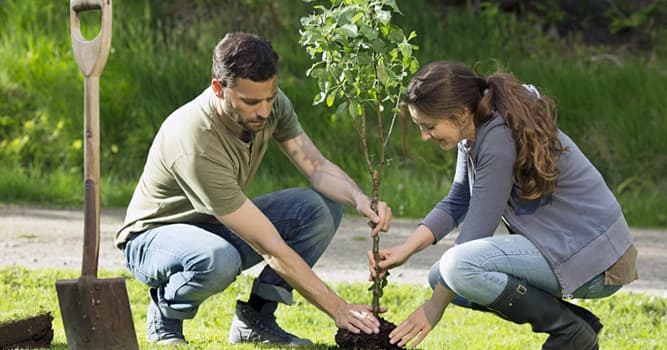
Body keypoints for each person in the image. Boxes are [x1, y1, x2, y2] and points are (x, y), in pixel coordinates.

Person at [115, 32, 393, 346]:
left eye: (269, 98)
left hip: (216, 224)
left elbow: (317, 167)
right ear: (218, 88)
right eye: (251, 102)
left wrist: (360, 199)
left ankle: (256, 319)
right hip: (154, 239)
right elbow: (268, 245)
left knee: (320, 209)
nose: (263, 110)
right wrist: (338, 308)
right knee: (217, 260)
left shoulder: (269, 105)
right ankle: (165, 312)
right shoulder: (195, 142)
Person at [369, 61, 638, 349]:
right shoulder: (474, 130)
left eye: (429, 126)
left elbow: (476, 230)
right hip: (570, 249)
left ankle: (570, 331)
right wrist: (405, 250)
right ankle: (576, 324)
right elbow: (459, 199)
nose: (424, 136)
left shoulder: (498, 136)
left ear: (460, 114)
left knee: (458, 268)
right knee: (441, 275)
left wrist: (433, 308)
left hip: (599, 261)